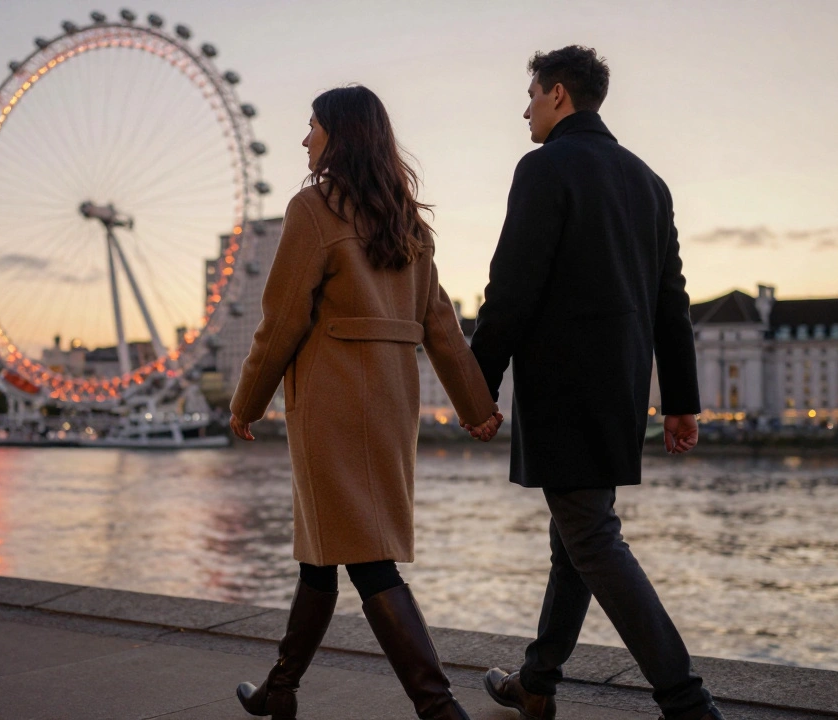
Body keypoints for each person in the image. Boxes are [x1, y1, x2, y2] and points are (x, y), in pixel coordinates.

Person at [465, 46, 726, 720]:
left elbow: (511, 290)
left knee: (593, 540)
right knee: (573, 540)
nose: (524, 110)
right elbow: (672, 300)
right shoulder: (649, 181)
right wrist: (681, 401)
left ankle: (686, 700)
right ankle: (538, 682)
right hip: (619, 391)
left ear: (557, 94)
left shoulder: (544, 167)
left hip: (563, 387)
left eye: (530, 96)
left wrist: (478, 385)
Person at [229, 85, 501, 720]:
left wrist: (247, 402)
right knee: (321, 552)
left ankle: (439, 710)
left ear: (339, 134)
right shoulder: (408, 221)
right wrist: (475, 406)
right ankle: (281, 689)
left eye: (312, 126)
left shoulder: (313, 210)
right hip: (389, 402)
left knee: (368, 561)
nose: (304, 139)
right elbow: (441, 325)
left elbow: (281, 319)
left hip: (329, 400)